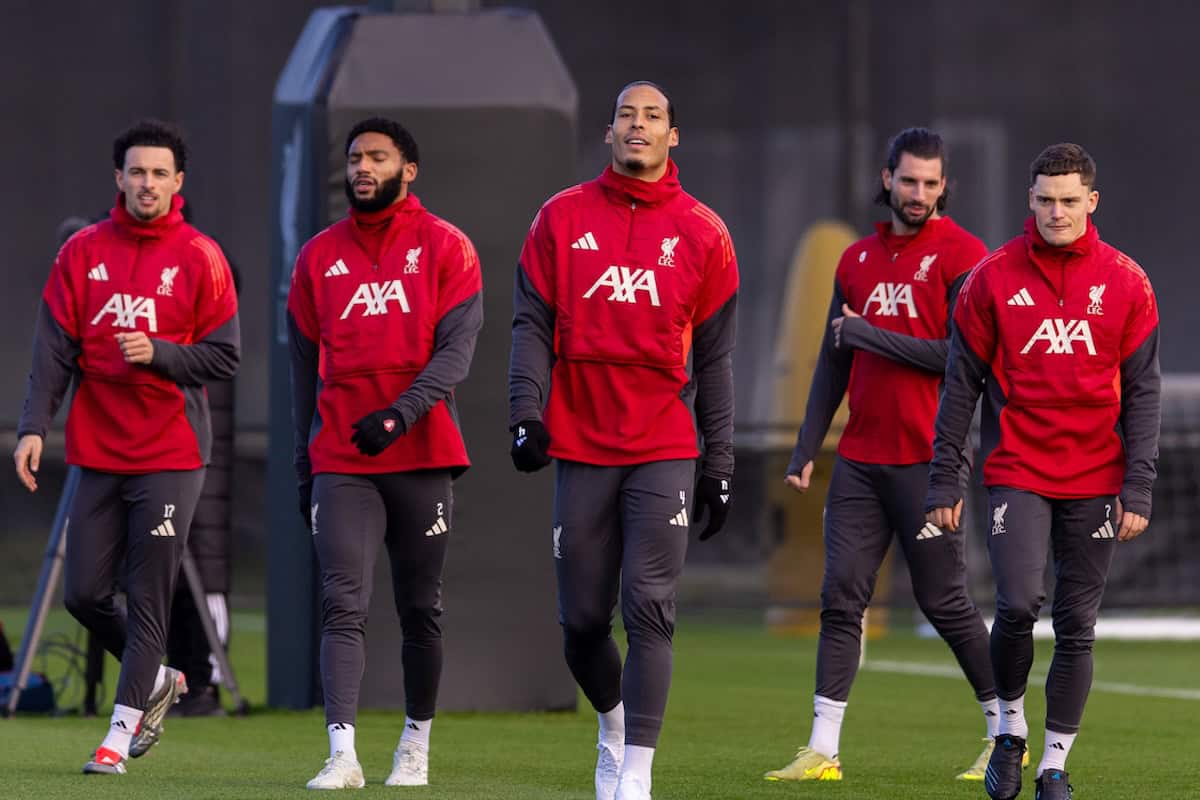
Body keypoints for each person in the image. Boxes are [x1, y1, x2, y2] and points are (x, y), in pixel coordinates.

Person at [508, 80, 739, 800]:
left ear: (674, 137)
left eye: (654, 117)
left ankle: (636, 773)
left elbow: (717, 360)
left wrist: (720, 461)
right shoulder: (559, 218)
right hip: (580, 444)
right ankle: (611, 723)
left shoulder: (705, 232)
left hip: (664, 444)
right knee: (581, 621)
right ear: (608, 133)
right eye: (627, 117)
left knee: (649, 606)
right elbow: (531, 326)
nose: (639, 127)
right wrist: (526, 411)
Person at [765, 128, 1005, 784]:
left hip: (932, 462)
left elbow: (960, 357)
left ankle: (1005, 733)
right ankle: (822, 750)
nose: (920, 193)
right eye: (909, 181)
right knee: (841, 596)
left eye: (932, 183)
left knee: (945, 603)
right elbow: (831, 363)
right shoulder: (856, 260)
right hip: (860, 463)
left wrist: (870, 331)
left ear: (944, 185)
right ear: (888, 179)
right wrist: (806, 447)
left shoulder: (965, 257)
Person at [925, 143, 1160, 800]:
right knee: (1017, 604)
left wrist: (1138, 483)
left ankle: (1054, 766)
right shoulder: (991, 279)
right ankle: (1009, 731)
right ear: (1029, 201)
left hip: (1097, 477)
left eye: (1068, 200)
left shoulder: (1128, 282)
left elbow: (1144, 390)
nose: (1055, 212)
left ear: (1092, 202)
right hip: (1018, 470)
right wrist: (945, 480)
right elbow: (959, 386)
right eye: (1044, 199)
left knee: (1078, 623)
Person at [13, 119, 240, 774]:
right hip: (98, 450)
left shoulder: (201, 254)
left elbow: (226, 356)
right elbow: (51, 350)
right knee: (83, 595)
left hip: (171, 453)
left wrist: (161, 355)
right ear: (119, 179)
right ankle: (161, 679)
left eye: (160, 173)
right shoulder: (81, 252)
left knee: (147, 596)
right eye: (137, 172)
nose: (148, 183)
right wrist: (34, 427)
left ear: (178, 183)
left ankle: (118, 736)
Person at [288, 116, 483, 790]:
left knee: (419, 607)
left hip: (422, 455)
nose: (362, 168)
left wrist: (400, 415)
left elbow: (456, 355)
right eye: (355, 158)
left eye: (377, 156)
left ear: (409, 169)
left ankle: (415, 746)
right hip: (342, 460)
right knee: (342, 602)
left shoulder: (446, 246)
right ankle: (342, 754)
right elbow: (301, 370)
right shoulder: (317, 256)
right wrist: (302, 460)